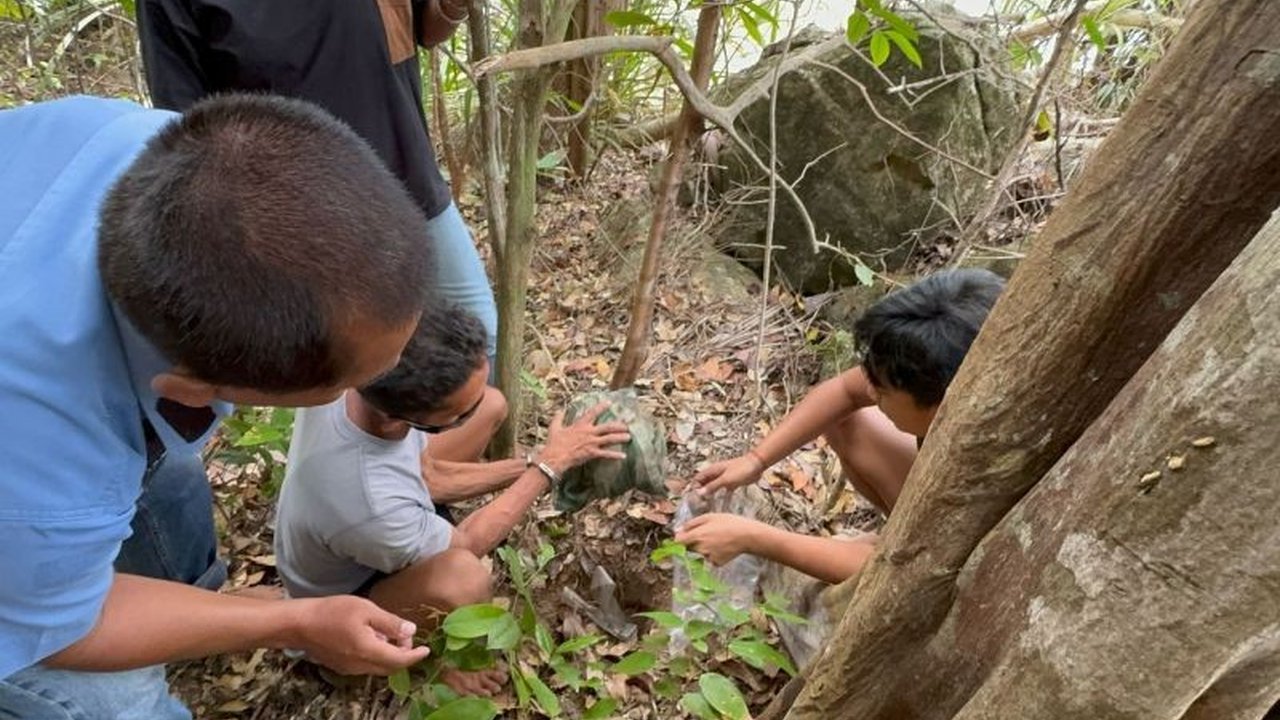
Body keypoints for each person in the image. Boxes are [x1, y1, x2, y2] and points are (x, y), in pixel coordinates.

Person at [0, 93, 437, 719]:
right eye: (350, 382)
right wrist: (293, 622)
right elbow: (75, 627)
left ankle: (192, 614)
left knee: (173, 486)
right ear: (192, 391)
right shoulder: (40, 465)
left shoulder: (182, 160)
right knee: (115, 703)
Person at [275, 304, 630, 692]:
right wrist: (546, 470)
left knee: (493, 405)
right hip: (345, 598)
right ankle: (383, 661)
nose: (470, 414)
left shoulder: (362, 371)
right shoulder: (370, 501)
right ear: (398, 420)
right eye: (458, 416)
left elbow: (429, 475)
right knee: (463, 579)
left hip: (362, 527)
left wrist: (541, 459)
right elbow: (465, 545)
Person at [135, 0, 498, 359]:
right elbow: (186, 125)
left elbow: (424, 28)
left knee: (480, 336)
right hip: (304, 227)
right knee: (353, 376)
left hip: (408, 181)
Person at [677, 269, 1005, 584]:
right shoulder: (966, 371)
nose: (871, 392)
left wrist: (754, 537)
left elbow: (900, 576)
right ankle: (899, 530)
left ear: (942, 403)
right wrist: (755, 460)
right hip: (933, 508)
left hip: (973, 569)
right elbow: (845, 391)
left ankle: (901, 538)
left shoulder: (979, 467)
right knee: (847, 420)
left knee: (893, 562)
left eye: (884, 390)